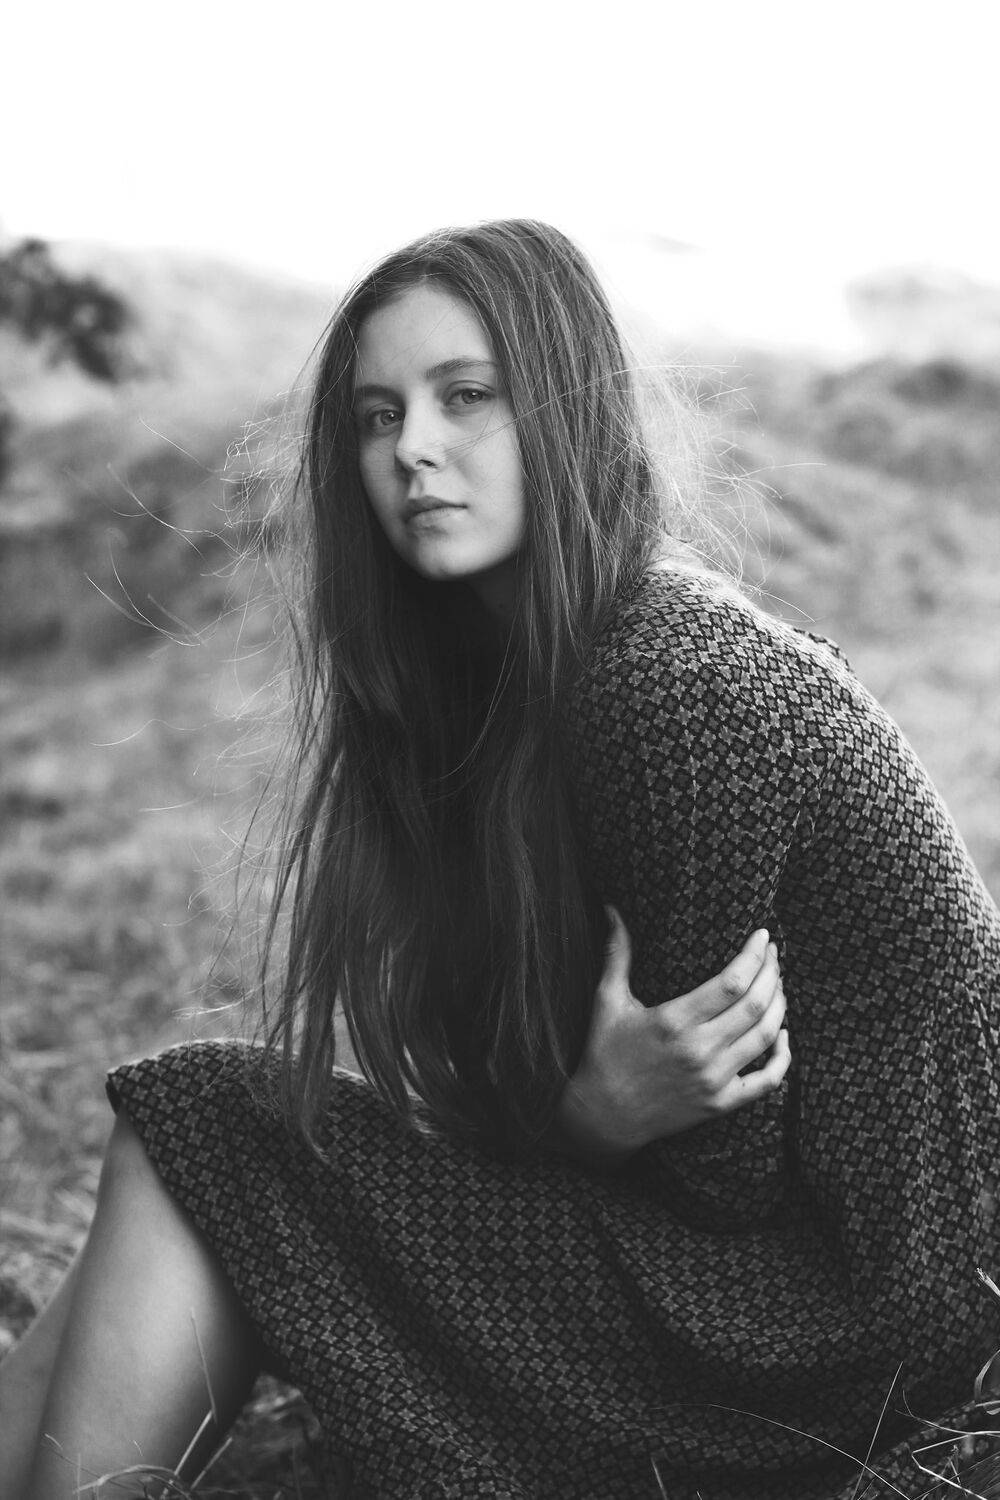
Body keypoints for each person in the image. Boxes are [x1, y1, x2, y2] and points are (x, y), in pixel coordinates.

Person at [1, 219, 998, 1500]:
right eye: (376, 415)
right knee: (194, 1146)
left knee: (205, 1126)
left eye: (465, 397)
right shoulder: (534, 680)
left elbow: (723, 1174)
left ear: (565, 407)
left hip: (848, 1318)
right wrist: (579, 1113)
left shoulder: (669, 682)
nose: (411, 448)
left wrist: (586, 1120)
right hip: (824, 1286)